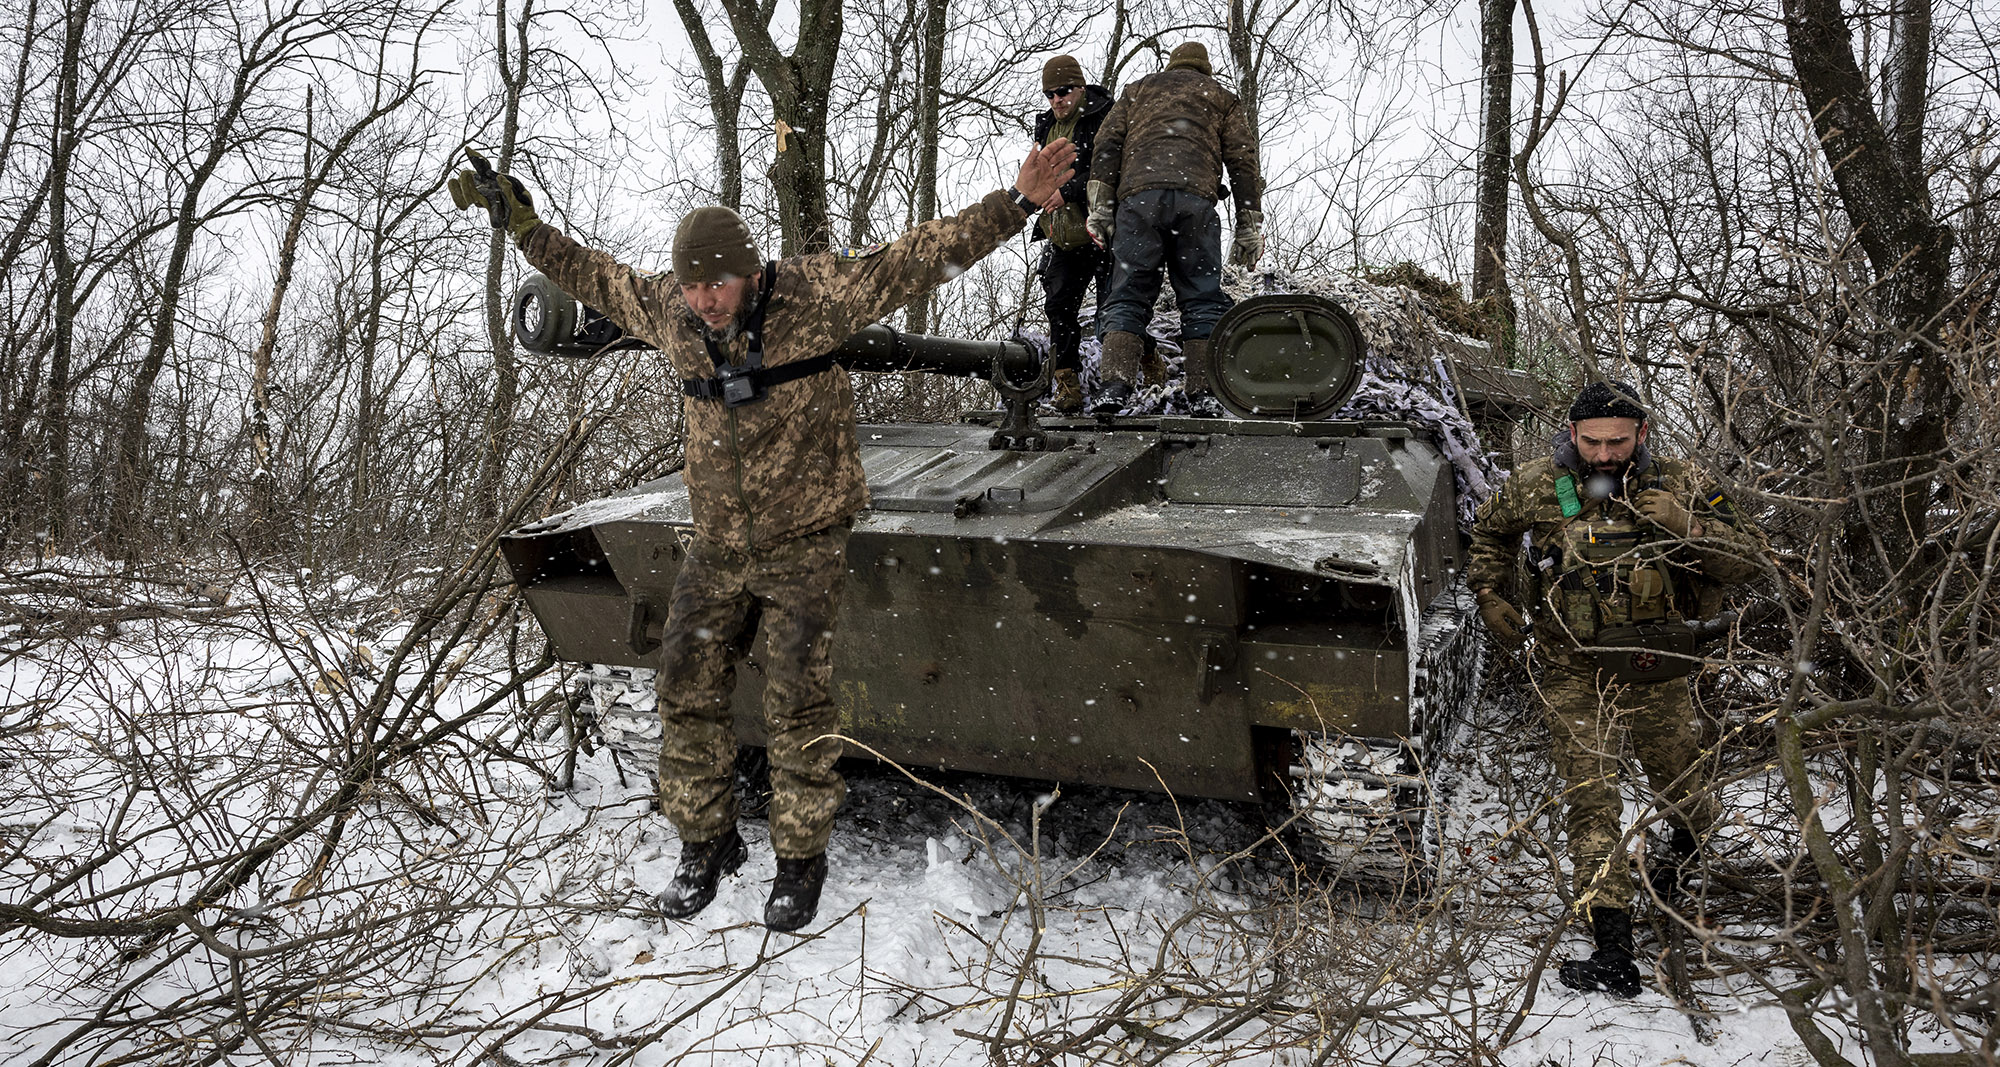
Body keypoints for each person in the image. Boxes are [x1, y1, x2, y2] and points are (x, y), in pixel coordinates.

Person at [448, 140, 1077, 933]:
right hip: (717, 544)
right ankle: (706, 843)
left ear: (747, 271)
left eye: (718, 282)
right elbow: (594, 275)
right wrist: (523, 227)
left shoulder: (813, 296)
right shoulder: (670, 311)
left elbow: (918, 256)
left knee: (795, 702)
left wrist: (1015, 203)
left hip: (804, 537)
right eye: (693, 285)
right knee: (683, 683)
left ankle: (800, 859)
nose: (706, 299)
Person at [1466, 381, 1762, 997]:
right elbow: (1488, 535)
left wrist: (1690, 529)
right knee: (1590, 798)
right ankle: (1612, 942)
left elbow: (1752, 561)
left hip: (1661, 664)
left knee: (1685, 786)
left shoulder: (1683, 483)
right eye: (1592, 442)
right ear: (1572, 435)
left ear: (1642, 435)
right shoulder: (1535, 484)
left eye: (1618, 442)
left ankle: (1678, 862)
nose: (1604, 455)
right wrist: (1491, 593)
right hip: (1573, 666)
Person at [1085, 40, 1262, 413]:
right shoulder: (1221, 98)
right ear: (1206, 69)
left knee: (1129, 292)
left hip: (1139, 204)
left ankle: (1114, 386)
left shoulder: (1139, 91)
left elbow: (1106, 144)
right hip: (1194, 204)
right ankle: (1203, 391)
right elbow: (1243, 161)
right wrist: (1248, 225)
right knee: (1201, 296)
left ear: (1171, 65)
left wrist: (1100, 209)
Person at [1030, 54, 1115, 414]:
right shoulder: (1045, 126)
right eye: (1049, 94)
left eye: (1063, 91)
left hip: (1102, 231)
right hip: (1062, 236)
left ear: (1079, 87)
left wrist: (1069, 191)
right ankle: (1068, 386)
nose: (1056, 100)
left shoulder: (1104, 116)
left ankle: (1142, 366)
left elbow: (1111, 170)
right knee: (1058, 308)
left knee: (1114, 310)